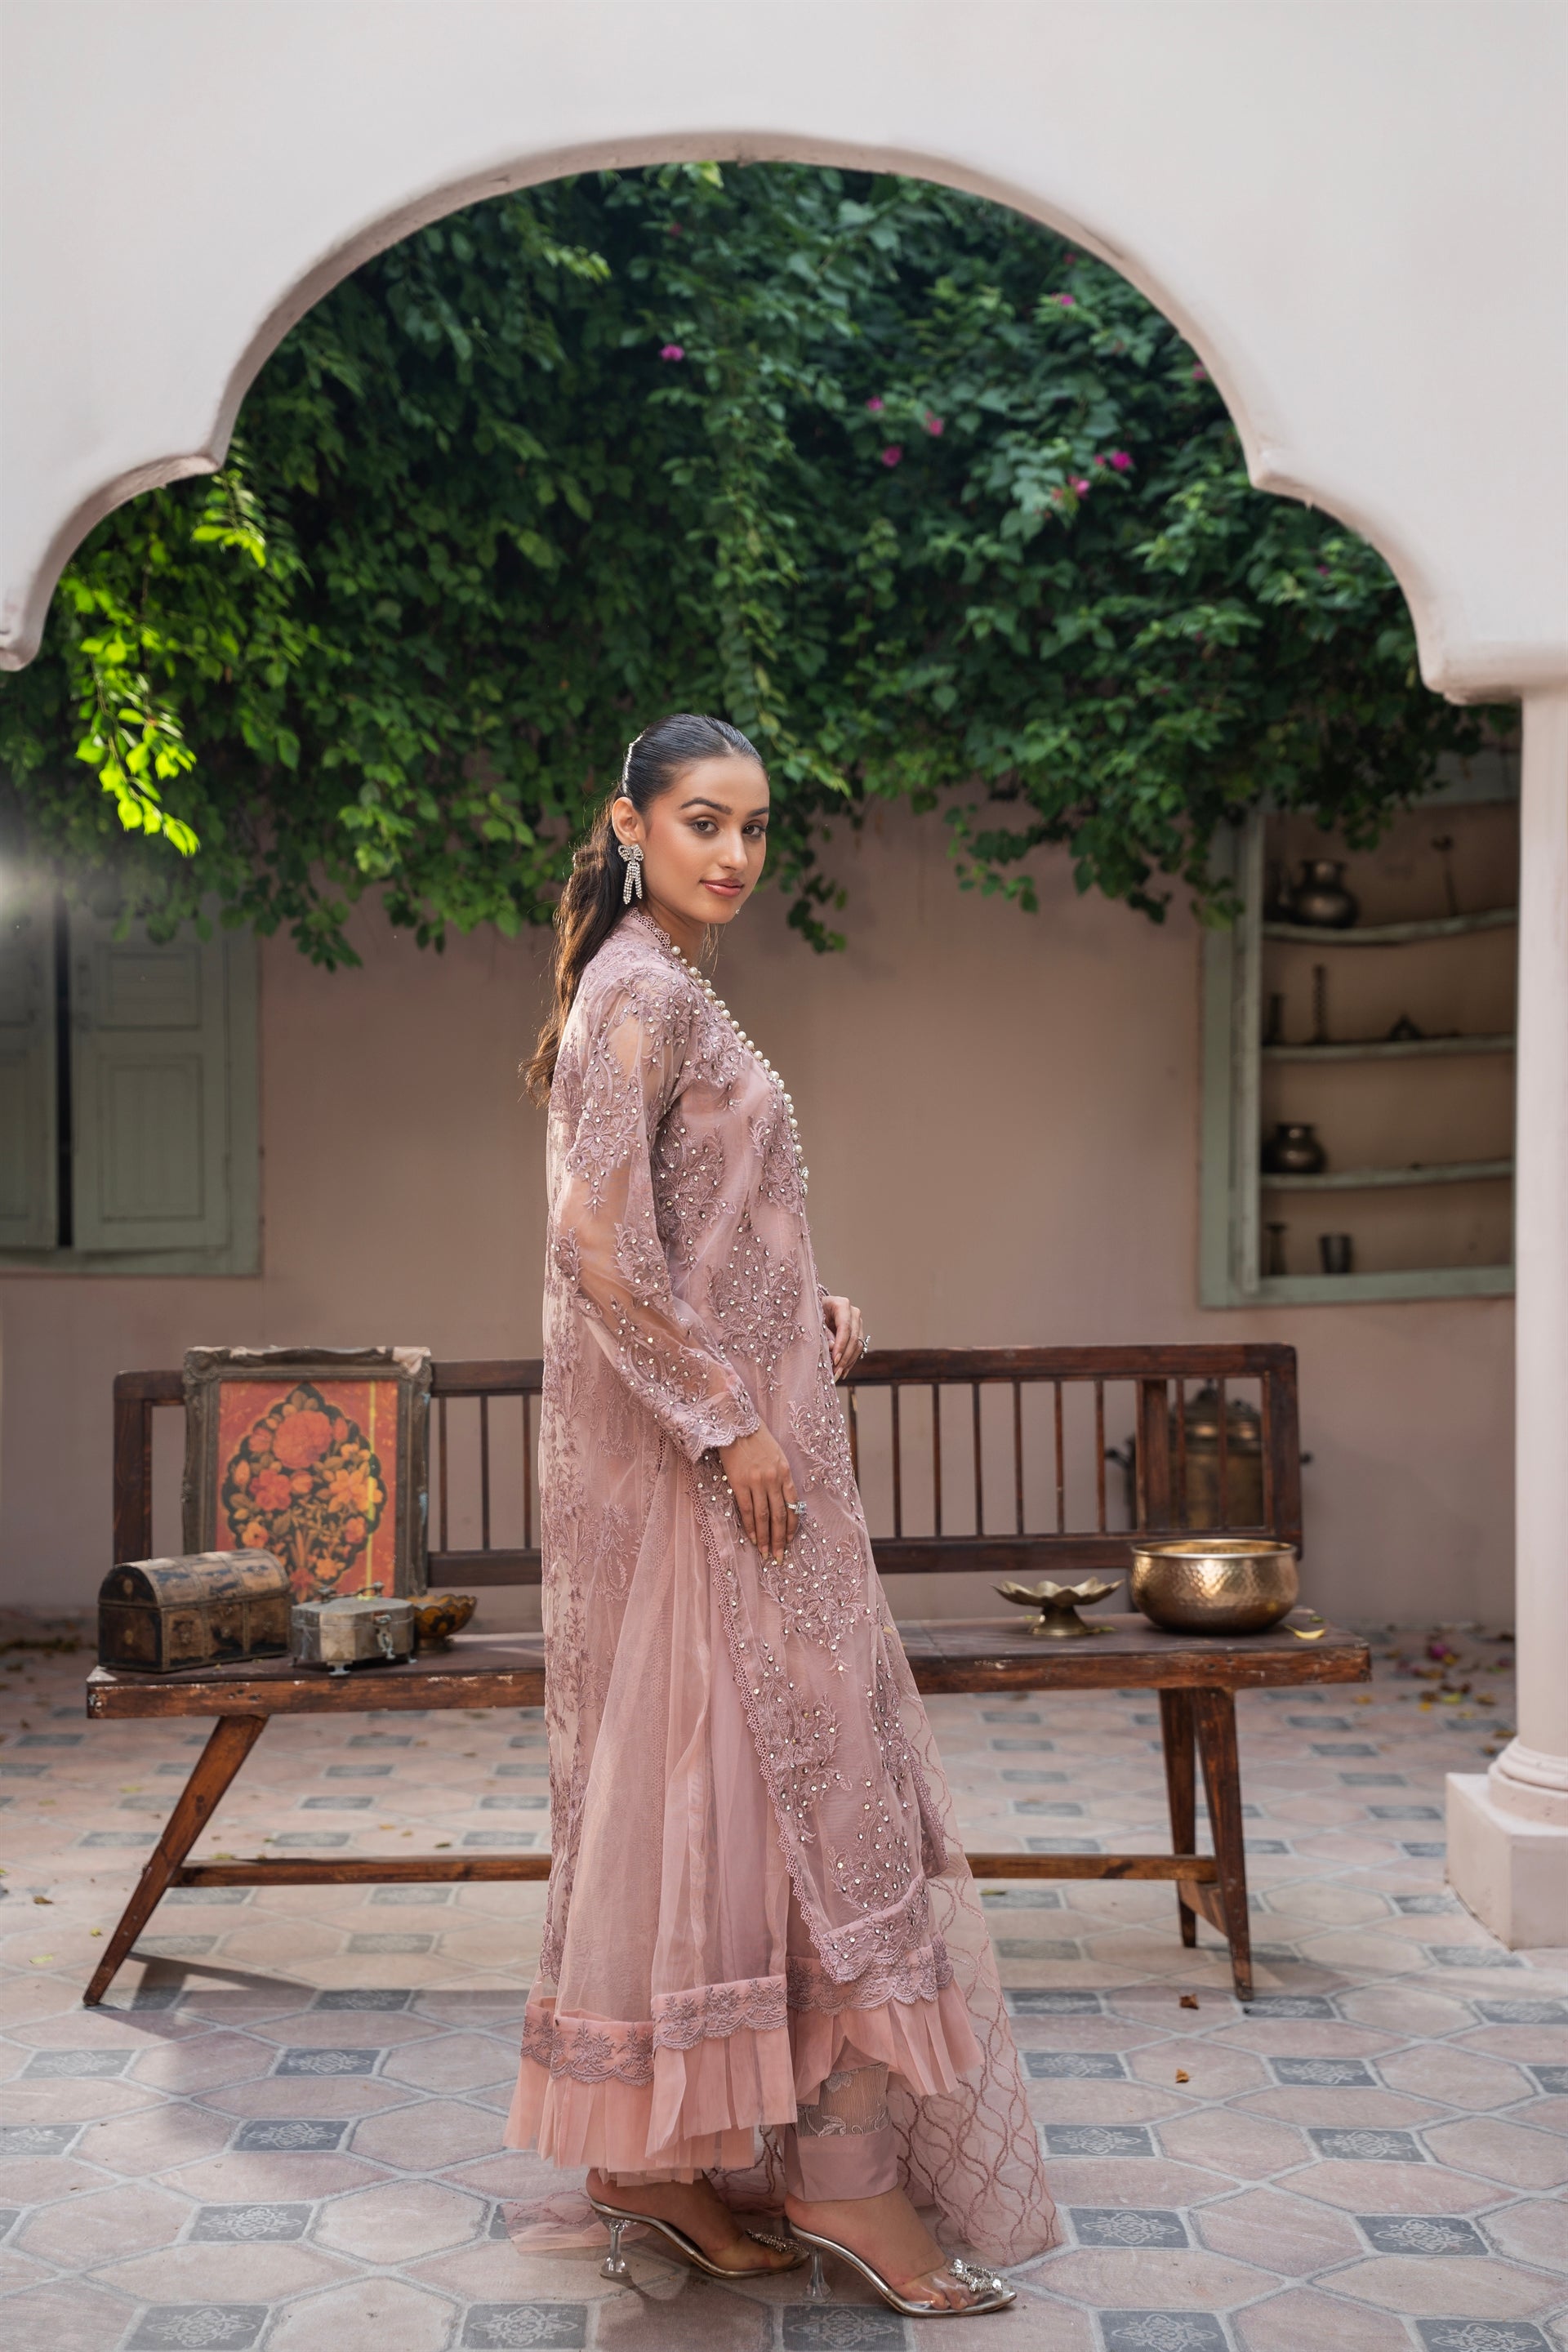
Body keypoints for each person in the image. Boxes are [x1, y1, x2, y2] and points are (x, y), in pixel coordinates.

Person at [508, 712, 1058, 2314]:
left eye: (753, 826)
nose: (736, 852)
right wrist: (728, 1412)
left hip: (747, 1457)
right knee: (800, 1798)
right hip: (720, 1483)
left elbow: (693, 1224)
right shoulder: (639, 992)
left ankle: (661, 2161)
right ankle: (844, 2182)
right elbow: (595, 1248)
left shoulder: (664, 984)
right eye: (704, 820)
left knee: (741, 1799)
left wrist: (793, 1304)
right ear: (631, 823)